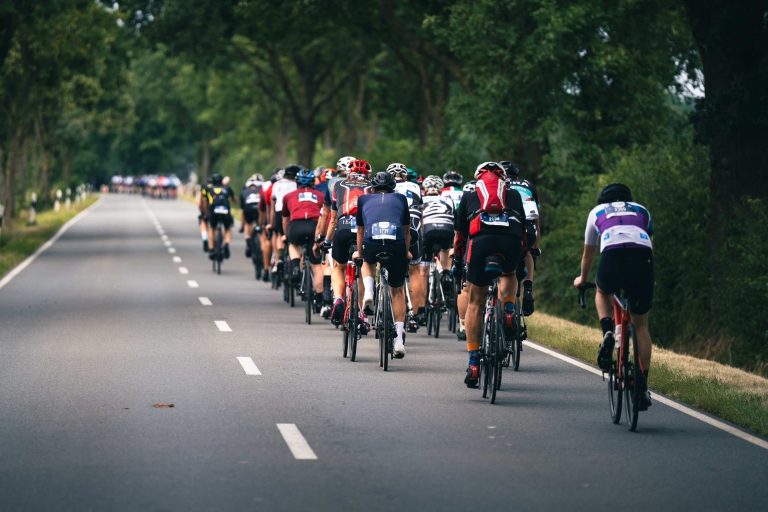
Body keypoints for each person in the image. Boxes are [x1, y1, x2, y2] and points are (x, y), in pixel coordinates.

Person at [573, 183, 654, 410]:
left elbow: (588, 254)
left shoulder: (597, 212)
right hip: (642, 259)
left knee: (602, 291)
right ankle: (641, 385)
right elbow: (649, 244)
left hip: (613, 257)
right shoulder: (642, 210)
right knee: (641, 325)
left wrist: (582, 278)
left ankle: (608, 330)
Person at [453, 162, 524, 387]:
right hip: (510, 241)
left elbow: (460, 235)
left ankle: (474, 363)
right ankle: (510, 311)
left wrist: (458, 262)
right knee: (510, 272)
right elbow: (524, 228)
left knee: (475, 301)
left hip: (480, 241)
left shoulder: (470, 194)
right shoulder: (513, 195)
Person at [354, 171, 411, 358]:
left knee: (367, 262)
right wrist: (406, 252)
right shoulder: (401, 199)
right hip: (396, 243)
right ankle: (399, 341)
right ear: (393, 187)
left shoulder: (363, 199)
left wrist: (360, 253)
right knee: (397, 290)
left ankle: (369, 291)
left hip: (372, 240)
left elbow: (361, 230)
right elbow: (406, 230)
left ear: (373, 187)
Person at [323, 159, 371, 326]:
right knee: (364, 263)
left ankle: (338, 299)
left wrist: (327, 240)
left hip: (343, 228)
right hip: (363, 230)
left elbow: (333, 219)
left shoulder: (338, 186)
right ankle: (361, 308)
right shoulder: (372, 187)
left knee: (338, 267)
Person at [387, 163, 426, 331]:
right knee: (415, 271)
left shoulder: (387, 187)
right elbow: (421, 212)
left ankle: (391, 309)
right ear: (405, 176)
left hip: (393, 228)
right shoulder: (416, 187)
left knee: (392, 270)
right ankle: (415, 314)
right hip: (414, 228)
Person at [501, 161, 541, 316]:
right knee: (529, 250)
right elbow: (536, 216)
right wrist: (536, 244)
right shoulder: (528, 185)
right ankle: (529, 288)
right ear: (516, 175)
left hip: (505, 229)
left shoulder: (498, 185)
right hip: (528, 229)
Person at [282, 169, 324, 302]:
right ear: (313, 182)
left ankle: (295, 266)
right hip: (313, 226)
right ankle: (319, 298)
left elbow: (285, 219)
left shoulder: (288, 196)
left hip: (296, 226)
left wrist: (285, 235)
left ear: (296, 182)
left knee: (292, 245)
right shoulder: (320, 195)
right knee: (316, 266)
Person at [421, 175, 455, 273]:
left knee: (423, 267)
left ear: (425, 190)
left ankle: (426, 278)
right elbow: (453, 219)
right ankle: (446, 274)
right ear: (440, 190)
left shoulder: (422, 199)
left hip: (428, 230)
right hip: (447, 231)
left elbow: (419, 220)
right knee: (445, 249)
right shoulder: (448, 200)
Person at [269, 165, 299, 274]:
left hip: (279, 211)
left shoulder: (276, 184)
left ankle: (279, 259)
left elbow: (273, 204)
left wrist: (271, 223)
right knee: (293, 238)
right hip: (293, 212)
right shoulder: (297, 184)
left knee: (278, 234)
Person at [205, 173, 237, 259]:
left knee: (211, 228)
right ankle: (226, 244)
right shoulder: (227, 188)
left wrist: (206, 213)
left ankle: (211, 249)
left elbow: (206, 202)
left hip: (213, 211)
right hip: (225, 212)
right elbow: (234, 201)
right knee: (228, 228)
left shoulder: (209, 189)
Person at [240, 174, 264, 259]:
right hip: (259, 209)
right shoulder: (262, 188)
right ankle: (262, 248)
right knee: (262, 228)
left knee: (248, 224)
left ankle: (248, 242)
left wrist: (242, 226)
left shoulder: (244, 191)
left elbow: (242, 210)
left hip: (248, 209)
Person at [197, 177, 213, 252]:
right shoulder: (219, 187)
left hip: (206, 209)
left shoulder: (204, 188)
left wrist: (201, 209)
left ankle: (205, 238)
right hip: (216, 210)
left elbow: (201, 201)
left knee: (203, 222)